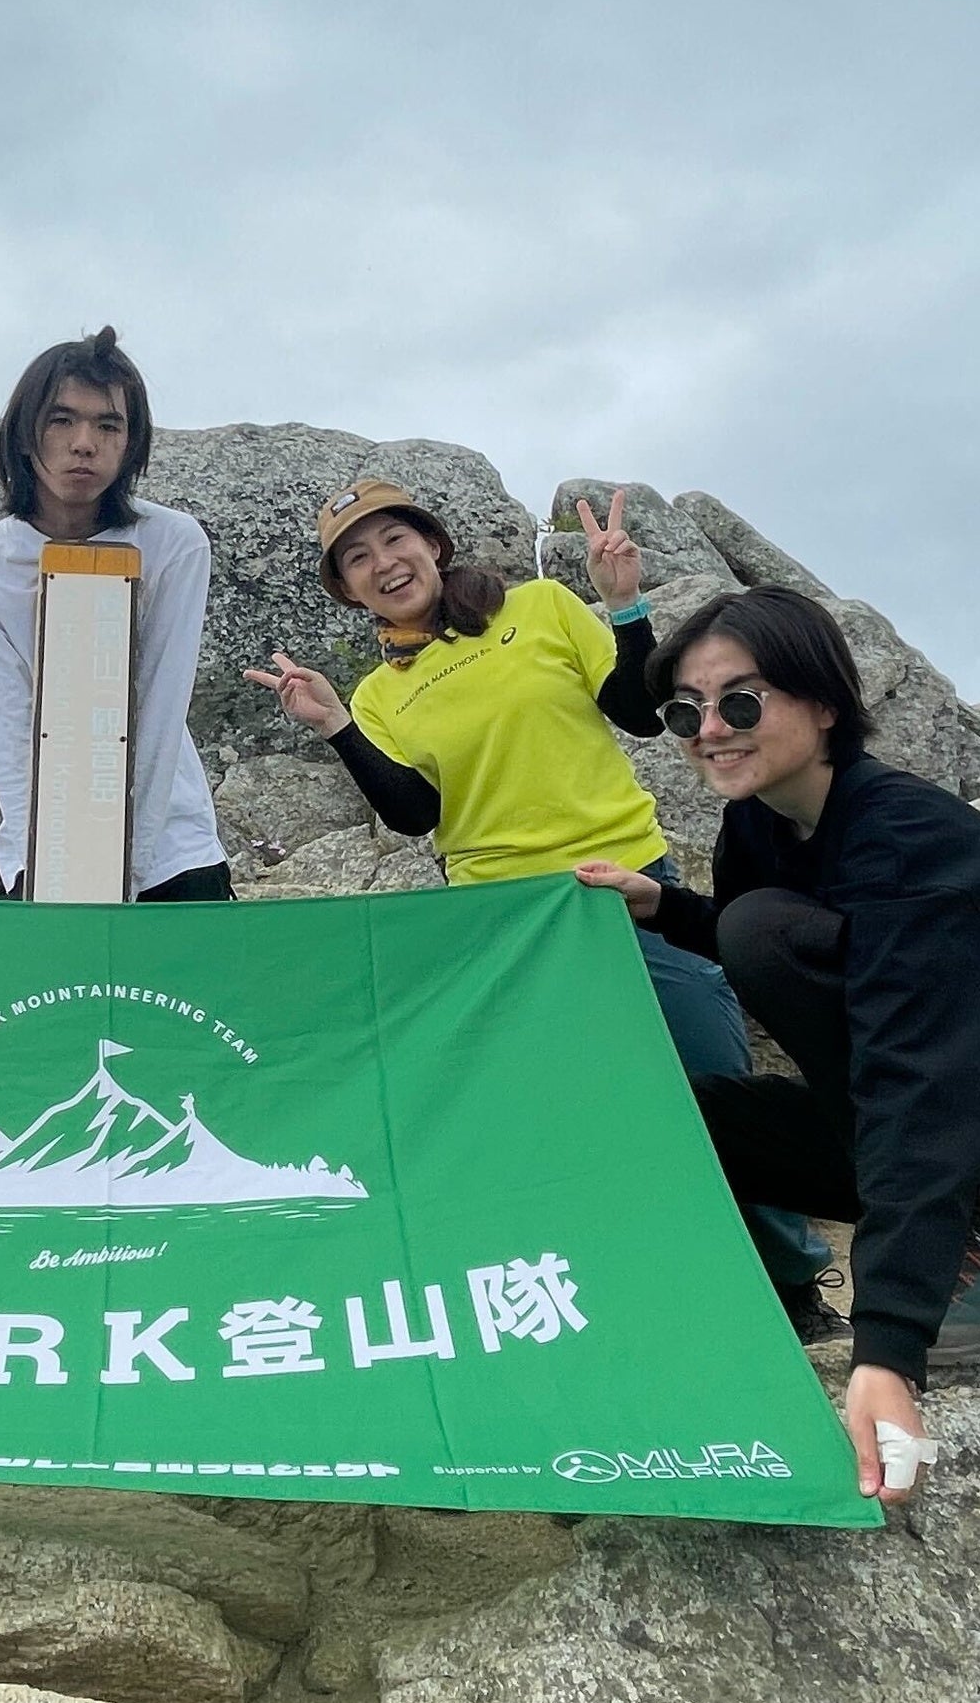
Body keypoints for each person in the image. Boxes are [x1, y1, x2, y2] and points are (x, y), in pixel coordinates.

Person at [575, 583, 980, 1508]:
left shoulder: (908, 837)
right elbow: (825, 947)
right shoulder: (758, 821)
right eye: (686, 709)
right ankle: (673, 1340)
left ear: (825, 703)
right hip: (909, 1091)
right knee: (669, 1116)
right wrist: (667, 908)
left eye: (741, 700)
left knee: (762, 931)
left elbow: (917, 1068)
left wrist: (888, 1348)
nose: (709, 728)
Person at [244, 481, 836, 1328]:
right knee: (560, 1108)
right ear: (347, 587)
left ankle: (792, 1283)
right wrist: (338, 723)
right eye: (357, 558)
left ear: (433, 545)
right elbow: (417, 814)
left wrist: (625, 605)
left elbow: (637, 713)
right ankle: (624, 1287)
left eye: (393, 540)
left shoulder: (545, 608)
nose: (383, 563)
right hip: (504, 922)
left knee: (712, 1075)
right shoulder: (380, 693)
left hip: (629, 884)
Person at [0, 326, 234, 902]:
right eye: (61, 420)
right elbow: (9, 735)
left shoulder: (173, 544)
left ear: (131, 443)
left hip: (173, 853)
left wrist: (131, 863)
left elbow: (160, 706)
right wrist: (53, 862)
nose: (83, 443)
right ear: (26, 434)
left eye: (108, 425)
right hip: (48, 854)